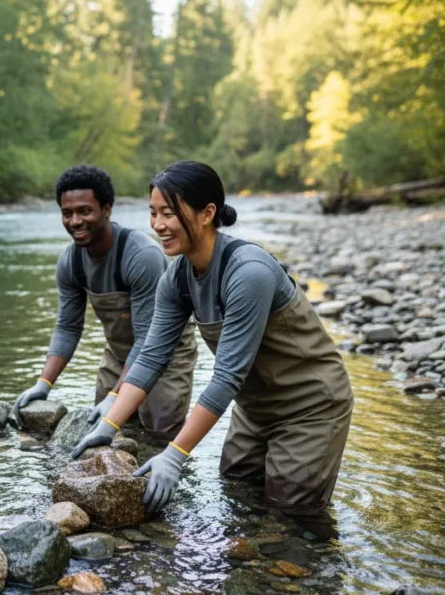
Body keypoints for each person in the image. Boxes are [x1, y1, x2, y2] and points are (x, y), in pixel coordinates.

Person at [73, 161, 353, 520]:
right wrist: (108, 425)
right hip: (253, 410)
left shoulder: (249, 272)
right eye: (153, 213)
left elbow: (226, 377)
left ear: (207, 214)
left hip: (310, 408)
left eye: (169, 213)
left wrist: (175, 455)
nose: (158, 225)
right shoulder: (176, 277)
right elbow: (151, 356)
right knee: (236, 493)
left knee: (292, 515)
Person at [12, 164, 197, 440]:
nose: (75, 221)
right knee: (103, 434)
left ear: (107, 209)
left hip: (166, 354)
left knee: (158, 438)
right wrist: (43, 383)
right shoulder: (70, 262)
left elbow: (148, 337)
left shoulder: (141, 256)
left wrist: (115, 395)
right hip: (119, 353)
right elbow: (67, 327)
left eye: (84, 211)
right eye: (67, 213)